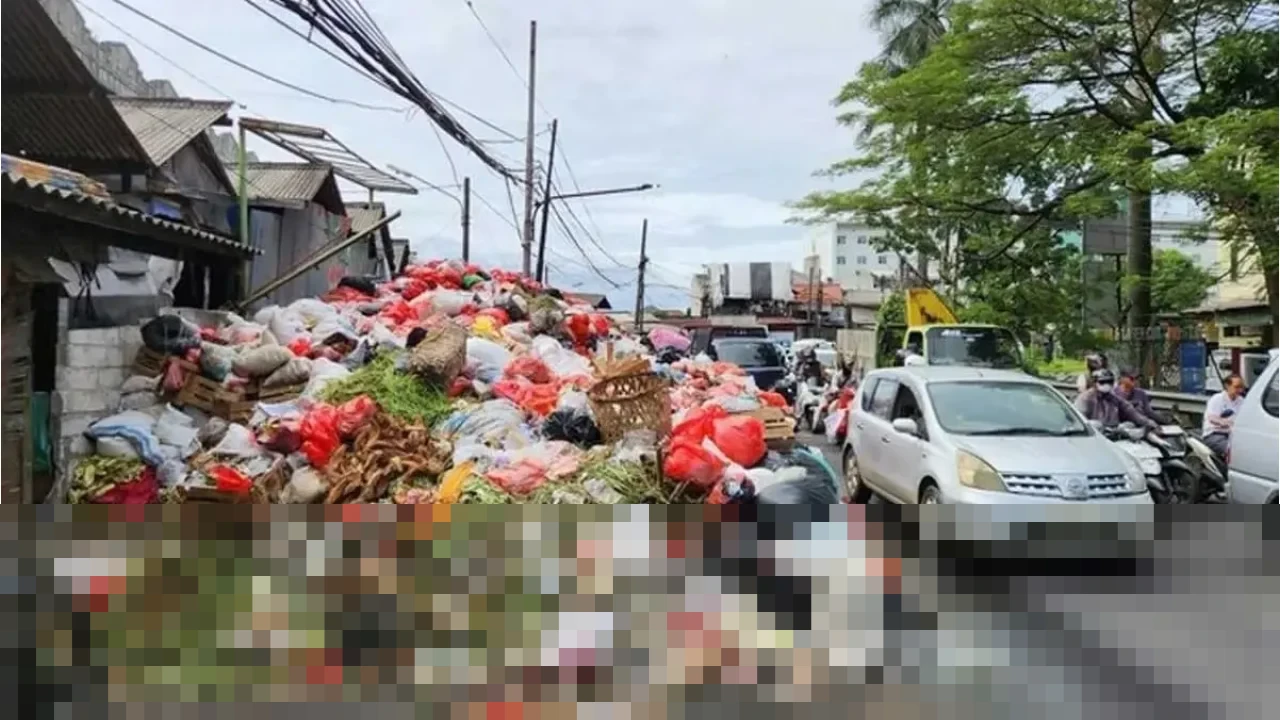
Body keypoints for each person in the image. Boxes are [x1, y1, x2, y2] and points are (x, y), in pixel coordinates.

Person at [1076, 368, 1158, 430]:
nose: (1106, 384)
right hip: (1095, 435)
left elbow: (1133, 413)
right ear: (1095, 383)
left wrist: (1151, 424)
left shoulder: (1114, 398)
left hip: (1115, 434)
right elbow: (1079, 420)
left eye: (1109, 382)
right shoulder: (1085, 399)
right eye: (1102, 382)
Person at [1201, 373, 1245, 457]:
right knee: (1233, 452)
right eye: (1237, 387)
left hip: (1233, 435)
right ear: (1227, 386)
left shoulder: (1241, 401)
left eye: (1241, 387)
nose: (1240, 390)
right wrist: (1227, 423)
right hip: (1214, 434)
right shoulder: (1217, 399)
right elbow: (1212, 418)